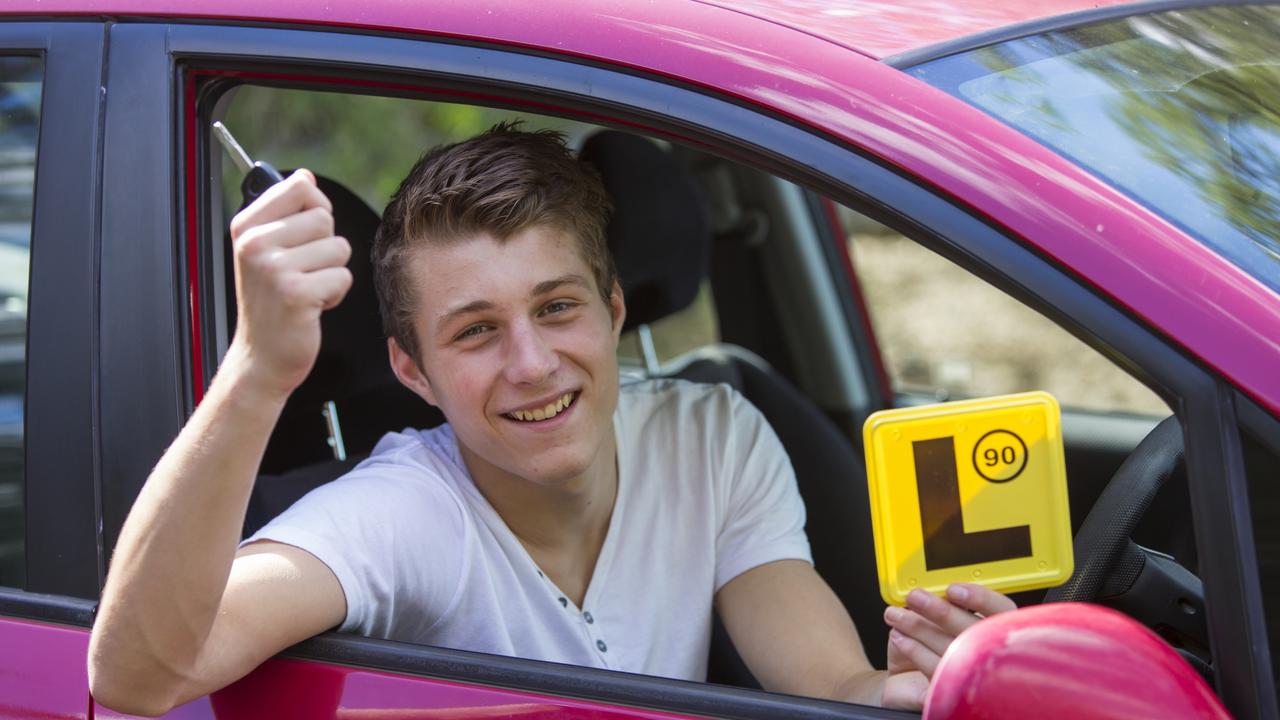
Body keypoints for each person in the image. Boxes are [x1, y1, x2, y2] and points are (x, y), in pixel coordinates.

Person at [87, 124, 1015, 715]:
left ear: (613, 311)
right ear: (411, 370)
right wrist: (257, 374)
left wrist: (906, 691)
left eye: (558, 308)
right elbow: (134, 679)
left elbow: (829, 687)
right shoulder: (400, 511)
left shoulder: (713, 437)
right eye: (477, 331)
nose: (531, 363)